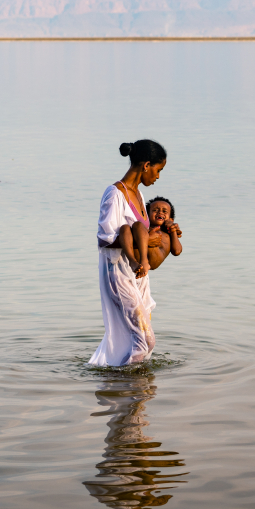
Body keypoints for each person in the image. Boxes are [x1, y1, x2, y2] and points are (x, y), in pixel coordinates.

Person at [89, 140, 168, 367]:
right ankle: (130, 386)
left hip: (138, 275)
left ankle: (129, 391)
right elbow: (104, 239)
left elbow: (142, 232)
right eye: (158, 170)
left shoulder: (139, 196)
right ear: (146, 165)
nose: (158, 176)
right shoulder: (114, 194)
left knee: (139, 340)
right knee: (146, 341)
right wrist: (136, 248)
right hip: (119, 274)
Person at [116, 196, 183, 273]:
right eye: (155, 210)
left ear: (171, 219)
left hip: (154, 259)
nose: (160, 212)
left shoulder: (169, 233)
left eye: (164, 211)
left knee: (138, 225)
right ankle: (132, 261)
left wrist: (173, 229)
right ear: (146, 216)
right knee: (125, 227)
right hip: (137, 261)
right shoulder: (143, 229)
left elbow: (177, 251)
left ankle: (144, 261)